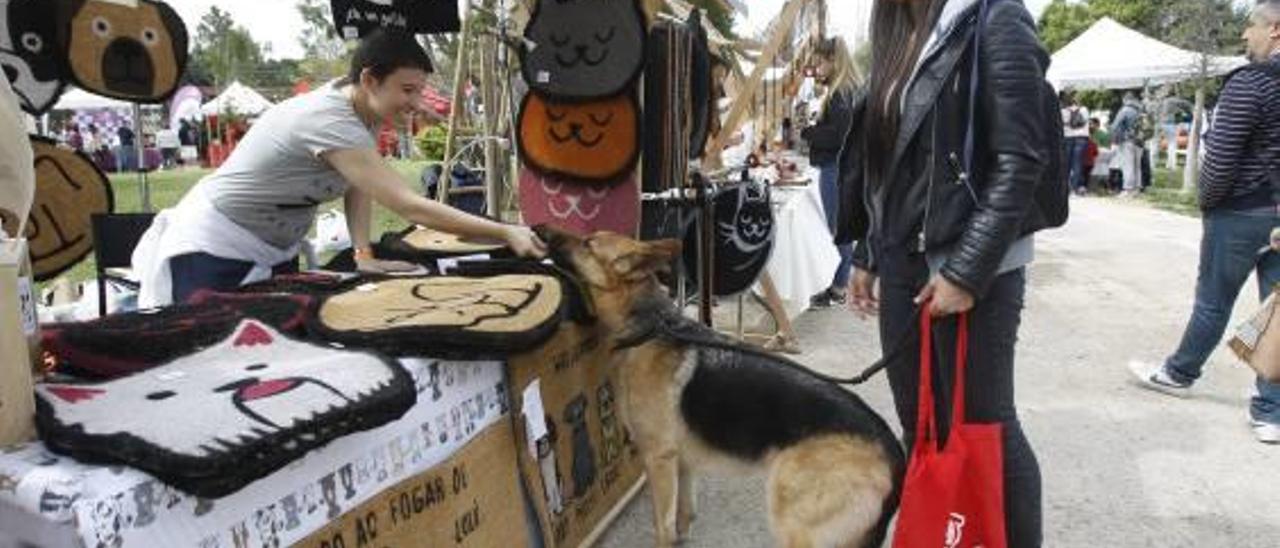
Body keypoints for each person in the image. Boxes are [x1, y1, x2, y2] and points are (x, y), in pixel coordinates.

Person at [836, 0, 1062, 545]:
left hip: (973, 263)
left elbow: (1021, 159)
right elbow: (889, 161)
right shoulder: (897, 29)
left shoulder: (995, 17)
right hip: (901, 258)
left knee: (987, 427)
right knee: (921, 426)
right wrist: (868, 249)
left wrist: (967, 271)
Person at [132, 30, 546, 307]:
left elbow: (357, 182)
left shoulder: (362, 111)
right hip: (215, 248)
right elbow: (411, 207)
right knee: (213, 358)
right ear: (369, 79)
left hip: (275, 249)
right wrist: (505, 230)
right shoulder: (329, 119)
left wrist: (363, 252)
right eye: (407, 89)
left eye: (419, 90)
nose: (416, 102)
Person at [1129, 0, 1280, 445]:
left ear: (1275, 30)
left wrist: (1208, 203)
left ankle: (1179, 373)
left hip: (1239, 213)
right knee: (1278, 313)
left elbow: (1221, 157)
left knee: (1213, 301)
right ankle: (1271, 412)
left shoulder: (1250, 82)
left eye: (1251, 26)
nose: (1244, 35)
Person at [801, 37, 859, 309]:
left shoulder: (840, 93)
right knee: (839, 228)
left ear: (833, 61)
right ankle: (837, 285)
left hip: (835, 168)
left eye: (820, 62)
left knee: (838, 230)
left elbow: (839, 136)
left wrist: (807, 131)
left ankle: (838, 288)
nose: (818, 68)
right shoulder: (844, 90)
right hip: (837, 167)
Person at [1110, 92, 1145, 197]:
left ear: (1125, 99)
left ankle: (1128, 189)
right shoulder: (1141, 110)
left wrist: (1114, 136)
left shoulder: (1125, 110)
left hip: (1127, 141)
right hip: (1140, 142)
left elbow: (1115, 125)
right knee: (1137, 166)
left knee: (1128, 165)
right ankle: (1137, 189)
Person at [1061, 91, 1090, 196]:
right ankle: (1075, 188)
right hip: (1081, 138)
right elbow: (1087, 122)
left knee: (1066, 164)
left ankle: (1065, 188)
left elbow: (1061, 124)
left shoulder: (1063, 111)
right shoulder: (1084, 110)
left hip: (1068, 137)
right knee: (1077, 163)